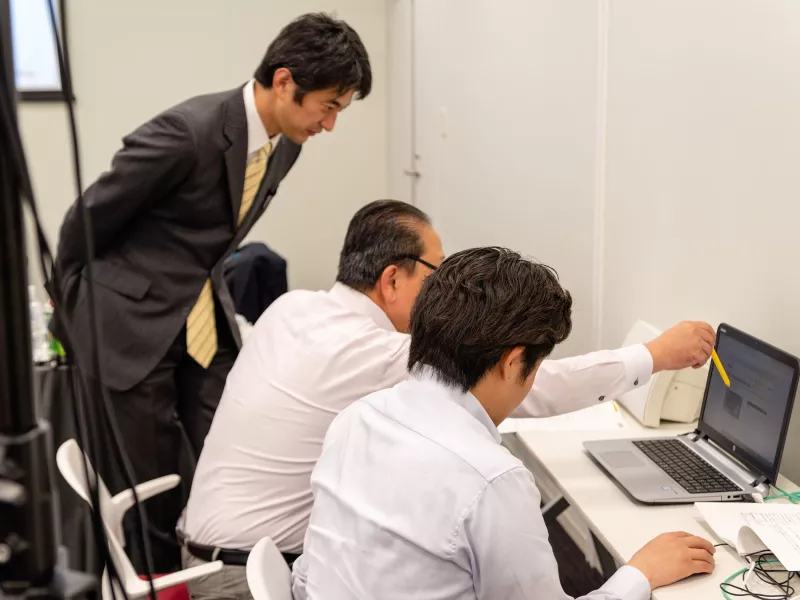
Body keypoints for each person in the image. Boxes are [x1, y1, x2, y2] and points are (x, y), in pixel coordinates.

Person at [180, 200, 715, 598]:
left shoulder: (302, 324)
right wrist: (639, 576)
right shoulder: (487, 474)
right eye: (434, 271)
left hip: (220, 552)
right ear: (393, 278)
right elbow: (540, 389)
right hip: (231, 578)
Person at [52, 13, 371, 572]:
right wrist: (73, 313)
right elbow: (86, 219)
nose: (330, 125)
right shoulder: (189, 132)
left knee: (229, 462)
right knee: (150, 489)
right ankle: (160, 584)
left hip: (201, 321)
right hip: (128, 327)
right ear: (283, 81)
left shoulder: (285, 145)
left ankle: (228, 577)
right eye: (329, 106)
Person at [292, 247, 716, 599]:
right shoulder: (491, 480)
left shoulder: (354, 419)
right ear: (514, 362)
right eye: (536, 369)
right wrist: (639, 574)